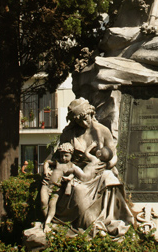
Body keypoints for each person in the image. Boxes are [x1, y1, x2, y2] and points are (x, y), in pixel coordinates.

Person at [42, 98, 133, 236]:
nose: (84, 123)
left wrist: (105, 165)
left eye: (86, 118)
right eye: (79, 121)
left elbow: (113, 155)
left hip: (98, 171)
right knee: (78, 190)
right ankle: (86, 222)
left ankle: (105, 219)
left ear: (91, 113)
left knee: (110, 178)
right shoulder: (69, 133)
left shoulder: (103, 131)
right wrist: (47, 167)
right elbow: (58, 155)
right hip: (76, 172)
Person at [40, 142, 99, 231]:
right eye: (62, 155)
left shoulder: (71, 165)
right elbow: (47, 162)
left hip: (57, 189)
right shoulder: (57, 162)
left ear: (71, 155)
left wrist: (68, 178)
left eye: (66, 156)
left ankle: (48, 222)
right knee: (43, 201)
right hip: (47, 185)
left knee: (52, 204)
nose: (63, 158)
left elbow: (73, 175)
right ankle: (46, 220)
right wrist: (45, 170)